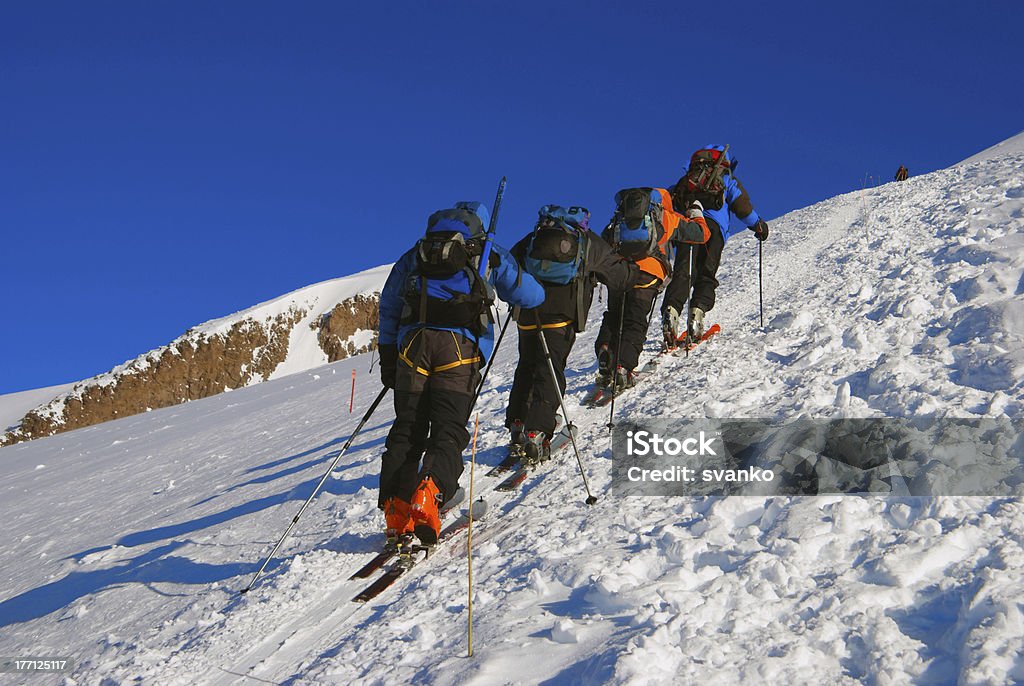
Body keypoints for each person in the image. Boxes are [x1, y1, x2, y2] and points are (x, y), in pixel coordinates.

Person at [377, 201, 544, 544]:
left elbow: (390, 304)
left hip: (412, 345)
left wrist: (388, 355)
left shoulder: (416, 254)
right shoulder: (486, 251)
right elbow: (530, 295)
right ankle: (431, 492)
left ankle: (397, 507)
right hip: (459, 349)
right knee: (448, 427)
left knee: (407, 428)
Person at [506, 205, 643, 460]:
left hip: (527, 314)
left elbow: (509, 267)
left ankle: (517, 424)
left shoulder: (532, 238)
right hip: (561, 315)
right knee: (550, 369)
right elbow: (621, 276)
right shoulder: (588, 242)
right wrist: (634, 269)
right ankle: (537, 431)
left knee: (526, 366)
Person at [594, 188, 710, 389]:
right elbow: (702, 235)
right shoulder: (666, 217)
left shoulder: (618, 219)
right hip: (648, 274)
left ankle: (605, 349)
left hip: (619, 273)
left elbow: (604, 244)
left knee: (614, 316)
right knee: (635, 321)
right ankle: (624, 368)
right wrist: (696, 214)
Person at [663, 145, 769, 344]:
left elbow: (668, 202)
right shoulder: (726, 179)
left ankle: (671, 312)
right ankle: (697, 314)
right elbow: (741, 206)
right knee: (706, 273)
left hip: (688, 228)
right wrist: (758, 225)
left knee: (684, 272)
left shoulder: (686, 181)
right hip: (714, 231)